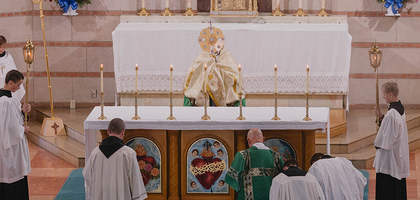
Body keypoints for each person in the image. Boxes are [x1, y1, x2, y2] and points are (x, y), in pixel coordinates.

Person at [83, 118, 148, 200]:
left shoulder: (95, 153)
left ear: (107, 131)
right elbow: (135, 181)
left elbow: (87, 175)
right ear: (123, 132)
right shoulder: (128, 153)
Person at [183, 24, 245, 107]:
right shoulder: (203, 55)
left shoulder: (225, 55)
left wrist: (215, 70)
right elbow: (194, 71)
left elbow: (234, 72)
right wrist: (209, 66)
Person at [373, 81, 409, 200]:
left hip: (389, 158)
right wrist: (382, 117)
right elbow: (394, 129)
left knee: (387, 189)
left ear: (391, 94)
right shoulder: (399, 107)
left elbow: (386, 140)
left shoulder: (392, 114)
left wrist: (377, 143)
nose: (383, 96)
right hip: (398, 153)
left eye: (384, 94)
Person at [225, 128, 283, 200]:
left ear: (248, 140)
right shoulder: (276, 156)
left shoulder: (242, 155)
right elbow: (284, 177)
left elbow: (231, 178)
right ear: (263, 139)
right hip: (271, 197)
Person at [0, 70, 31, 200]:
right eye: (18, 85)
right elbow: (7, 127)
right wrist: (22, 129)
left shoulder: (10, 97)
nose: (19, 88)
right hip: (9, 146)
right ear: (10, 82)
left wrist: (22, 111)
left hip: (16, 144)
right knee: (11, 174)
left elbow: (14, 116)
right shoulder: (4, 101)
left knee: (18, 172)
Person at [0, 36, 25, 102]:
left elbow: (13, 72)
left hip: (8, 87)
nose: (1, 49)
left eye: (3, 47)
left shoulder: (8, 58)